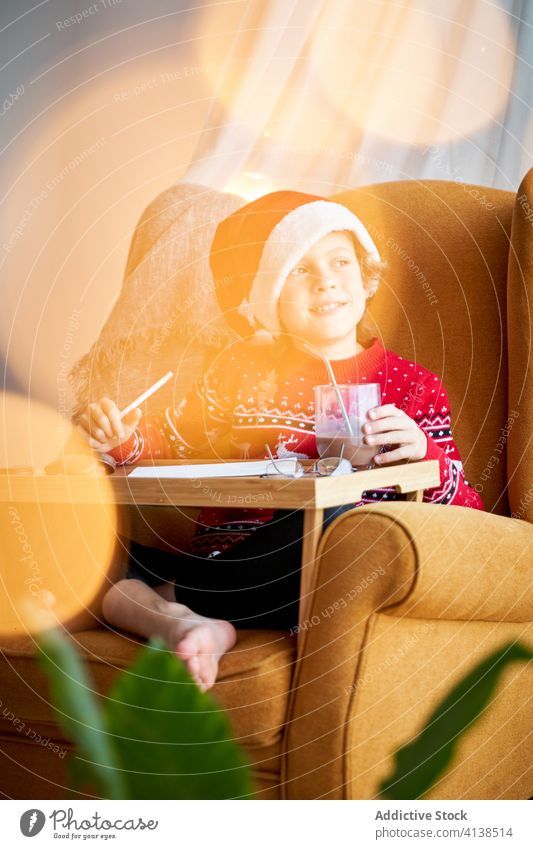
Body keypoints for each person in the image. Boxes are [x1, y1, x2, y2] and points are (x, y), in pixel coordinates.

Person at [78, 190, 484, 691]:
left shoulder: (415, 388)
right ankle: (184, 622)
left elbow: (469, 514)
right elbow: (170, 444)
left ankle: (160, 602)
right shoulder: (240, 370)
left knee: (344, 527)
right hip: (226, 558)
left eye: (340, 261)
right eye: (300, 270)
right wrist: (120, 440)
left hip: (312, 577)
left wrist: (426, 457)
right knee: (77, 540)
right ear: (271, 296)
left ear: (366, 277)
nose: (326, 281)